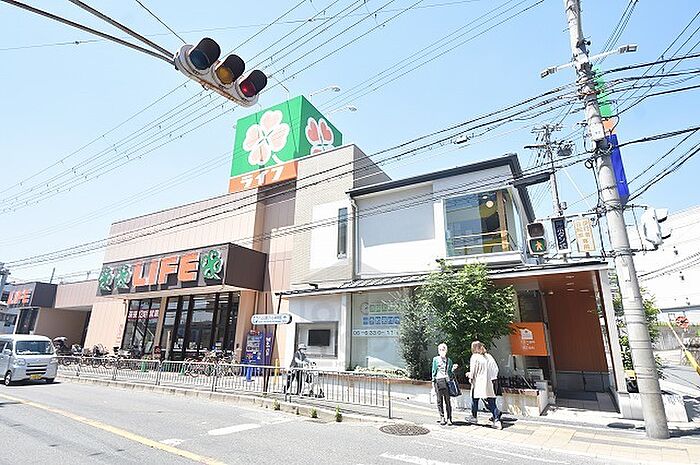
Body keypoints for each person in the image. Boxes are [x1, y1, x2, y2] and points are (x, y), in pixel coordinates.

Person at [467, 341, 502, 429]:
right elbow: (494, 369)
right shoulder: (486, 357)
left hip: (478, 382)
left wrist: (469, 376)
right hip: (488, 382)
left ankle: (474, 417)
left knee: (474, 400)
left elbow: (473, 372)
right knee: (491, 401)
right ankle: (497, 420)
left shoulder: (474, 357)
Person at [431, 343, 458, 426]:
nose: (441, 351)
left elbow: (450, 372)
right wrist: (433, 381)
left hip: (446, 380)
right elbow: (433, 371)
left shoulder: (449, 360)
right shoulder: (435, 359)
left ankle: (449, 418)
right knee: (439, 400)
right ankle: (442, 417)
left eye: (443, 349)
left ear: (446, 350)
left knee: (447, 400)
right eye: (440, 349)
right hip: (438, 380)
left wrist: (452, 369)